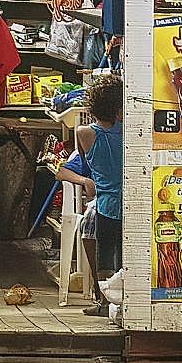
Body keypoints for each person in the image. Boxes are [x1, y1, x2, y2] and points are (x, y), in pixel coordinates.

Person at [50, 76, 125, 315]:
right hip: (129, 203)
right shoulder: (129, 133)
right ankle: (125, 301)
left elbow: (84, 162)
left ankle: (104, 302)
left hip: (105, 204)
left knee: (106, 253)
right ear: (119, 108)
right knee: (124, 255)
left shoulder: (84, 133)